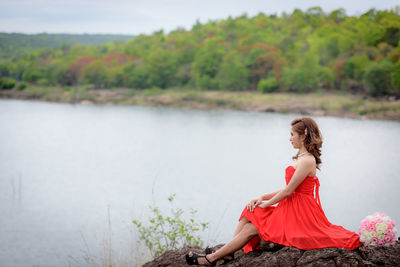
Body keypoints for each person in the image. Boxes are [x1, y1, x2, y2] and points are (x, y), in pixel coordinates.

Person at [185, 117, 362, 266]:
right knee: (250, 209)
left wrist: (266, 203)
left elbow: (289, 191)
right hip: (290, 206)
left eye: (292, 135)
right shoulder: (301, 157)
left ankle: (211, 259)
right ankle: (227, 252)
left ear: (303, 136)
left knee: (251, 225)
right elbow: (288, 189)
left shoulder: (308, 160)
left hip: (300, 214)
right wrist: (261, 197)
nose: (290, 138)